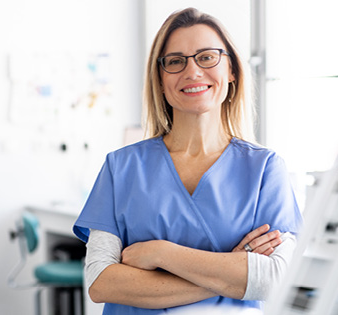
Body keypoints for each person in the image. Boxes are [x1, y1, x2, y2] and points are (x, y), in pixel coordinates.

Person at [73, 7, 302, 315]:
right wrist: (230, 271)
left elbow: (274, 280)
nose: (192, 72)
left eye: (207, 57)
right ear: (160, 79)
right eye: (176, 61)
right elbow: (102, 282)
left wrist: (159, 253)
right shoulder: (121, 167)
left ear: (231, 70)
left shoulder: (264, 169)